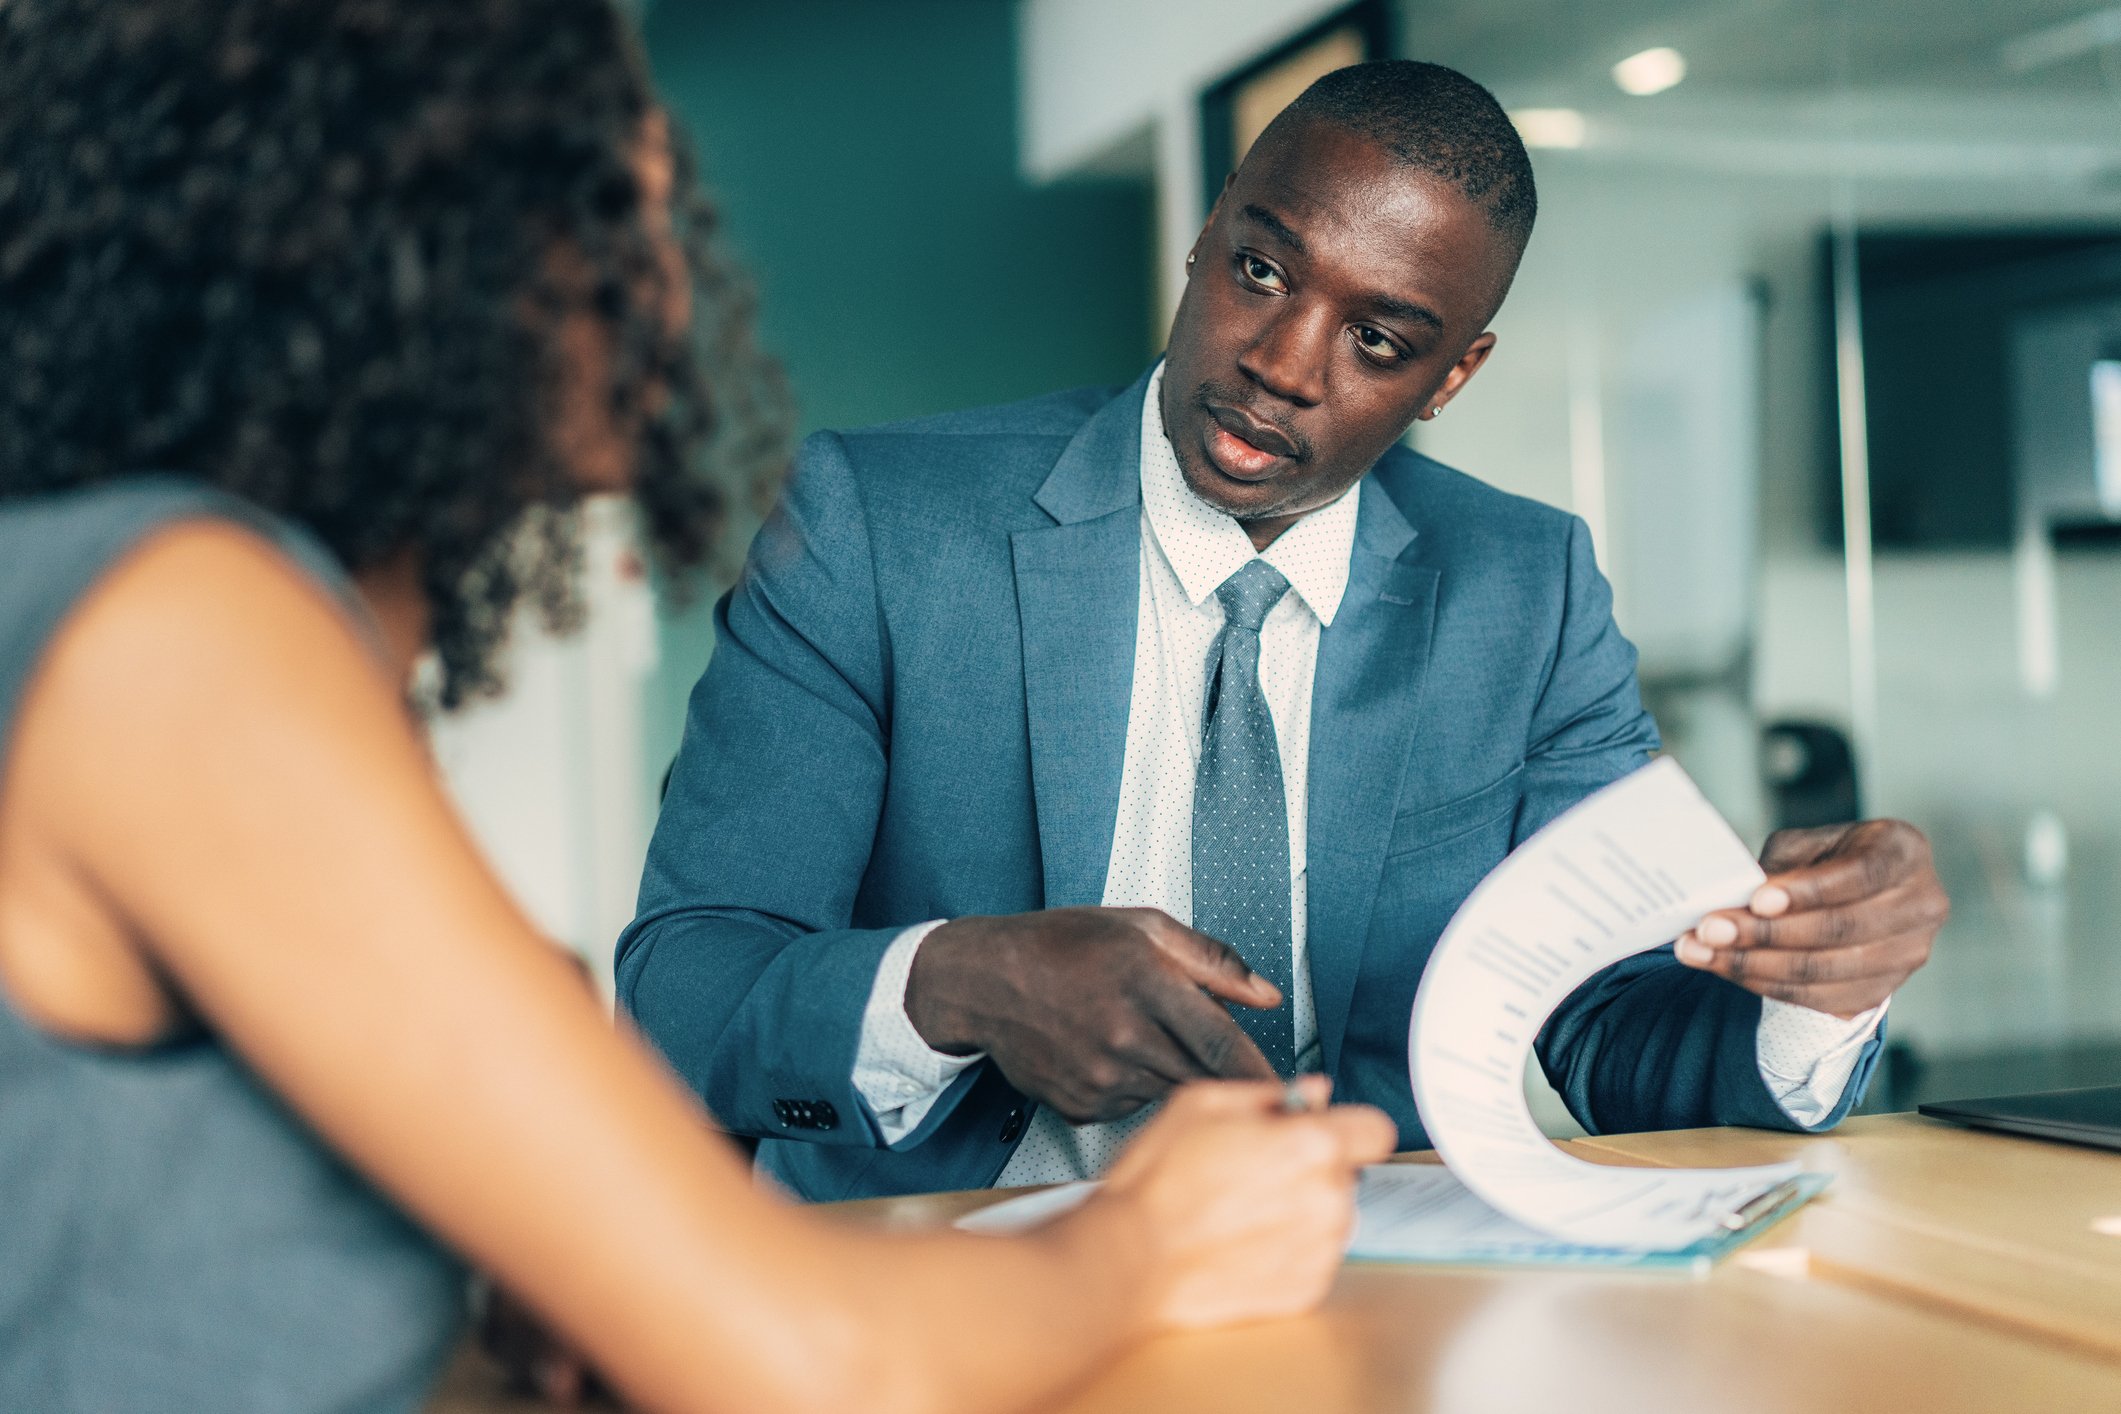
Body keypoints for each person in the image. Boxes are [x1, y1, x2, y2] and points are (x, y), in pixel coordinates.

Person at [0, 4, 1397, 1412]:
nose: (666, 291)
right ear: (391, 241)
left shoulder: (152, 615)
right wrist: (1152, 1232)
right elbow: (811, 1361)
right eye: (618, 213)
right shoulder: (178, 634)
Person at [620, 59, 1952, 1204]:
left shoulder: (1523, 589)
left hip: (1367, 1300)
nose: (1285, 361)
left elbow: (1623, 1046)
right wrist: (957, 983)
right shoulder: (876, 524)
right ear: (1206, 235)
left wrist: (1819, 980)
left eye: (1379, 338)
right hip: (950, 1278)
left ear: (1452, 375)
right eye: (1261, 270)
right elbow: (686, 990)